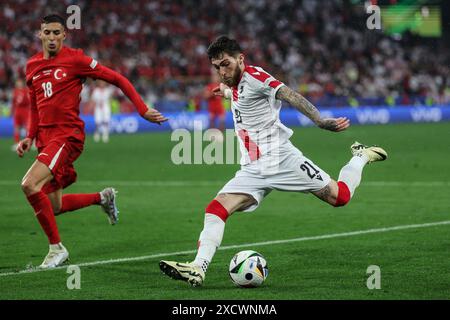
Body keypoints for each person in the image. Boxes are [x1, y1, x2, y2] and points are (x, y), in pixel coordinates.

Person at [159, 36, 387, 286]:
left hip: (281, 159)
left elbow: (289, 95)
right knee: (216, 209)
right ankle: (198, 267)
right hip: (252, 169)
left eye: (225, 64)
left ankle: (360, 156)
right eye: (217, 67)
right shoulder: (233, 84)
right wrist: (224, 91)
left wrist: (320, 120)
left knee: (340, 196)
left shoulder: (255, 77)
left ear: (240, 59)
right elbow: (237, 95)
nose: (222, 72)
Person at [17, 14, 167, 269]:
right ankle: (103, 197)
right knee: (54, 206)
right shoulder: (32, 66)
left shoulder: (76, 60)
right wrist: (30, 136)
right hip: (45, 139)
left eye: (57, 33)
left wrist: (142, 110)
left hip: (67, 136)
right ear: (39, 35)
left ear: (64, 35)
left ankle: (57, 249)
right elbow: (34, 104)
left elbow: (118, 78)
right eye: (47, 33)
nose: (52, 38)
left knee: (30, 185)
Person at [10, 79, 31, 151]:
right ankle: (17, 142)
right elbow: (13, 102)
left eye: (20, 83)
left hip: (25, 110)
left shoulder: (26, 90)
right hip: (17, 110)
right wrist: (12, 110)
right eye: (17, 83)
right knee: (17, 127)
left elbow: (28, 101)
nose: (18, 84)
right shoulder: (15, 91)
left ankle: (27, 143)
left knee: (27, 127)